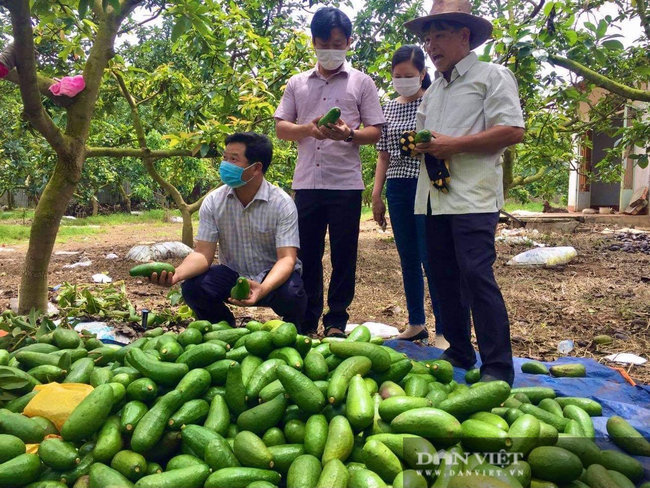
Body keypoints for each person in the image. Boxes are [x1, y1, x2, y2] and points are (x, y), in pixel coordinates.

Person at [404, 0, 525, 384]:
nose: (431, 44)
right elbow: (427, 137)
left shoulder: (492, 76)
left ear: (464, 36)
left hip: (472, 197)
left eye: (439, 35)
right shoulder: (434, 90)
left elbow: (512, 131)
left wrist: (454, 145)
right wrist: (420, 144)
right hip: (433, 198)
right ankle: (459, 349)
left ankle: (498, 367)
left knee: (475, 274)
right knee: (441, 275)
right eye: (427, 37)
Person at [274, 7, 385, 338]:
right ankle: (307, 319)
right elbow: (282, 128)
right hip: (307, 182)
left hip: (345, 184)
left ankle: (336, 320)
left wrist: (348, 134)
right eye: (324, 42)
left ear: (348, 42)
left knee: (343, 255)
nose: (330, 48)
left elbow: (375, 132)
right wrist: (308, 129)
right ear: (313, 42)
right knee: (306, 254)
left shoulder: (361, 83)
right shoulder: (297, 84)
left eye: (337, 42)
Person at [149, 132, 307, 329]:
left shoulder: (282, 204)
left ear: (256, 167)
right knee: (193, 287)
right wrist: (177, 274)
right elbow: (202, 254)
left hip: (270, 277)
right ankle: (221, 329)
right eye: (225, 158)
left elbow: (287, 259)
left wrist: (263, 288)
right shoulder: (214, 201)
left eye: (234, 159)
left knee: (294, 293)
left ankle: (295, 333)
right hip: (232, 275)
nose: (225, 165)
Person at [372, 45, 447, 347]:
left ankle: (443, 329)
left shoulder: (434, 102)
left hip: (426, 185)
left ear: (423, 74)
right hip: (398, 188)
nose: (402, 79)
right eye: (397, 75)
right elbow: (383, 155)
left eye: (409, 75)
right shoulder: (387, 108)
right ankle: (417, 322)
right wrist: (377, 195)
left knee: (431, 257)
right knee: (408, 258)